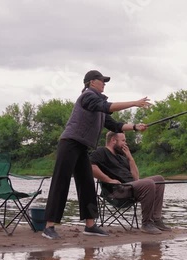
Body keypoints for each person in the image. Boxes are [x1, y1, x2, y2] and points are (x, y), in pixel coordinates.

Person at [42, 70, 151, 240]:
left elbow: (115, 125)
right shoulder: (87, 96)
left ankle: (90, 225)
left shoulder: (98, 106)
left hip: (82, 147)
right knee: (60, 183)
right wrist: (134, 103)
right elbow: (107, 106)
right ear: (92, 82)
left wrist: (136, 127)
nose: (104, 84)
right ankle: (49, 226)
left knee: (87, 184)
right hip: (69, 143)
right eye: (102, 81)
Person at [90, 131, 171, 234]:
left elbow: (136, 178)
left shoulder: (121, 157)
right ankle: (147, 224)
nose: (125, 143)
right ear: (113, 140)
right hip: (116, 191)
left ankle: (156, 220)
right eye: (123, 140)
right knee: (149, 183)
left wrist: (130, 158)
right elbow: (90, 167)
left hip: (131, 188)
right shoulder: (101, 152)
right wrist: (109, 180)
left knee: (159, 179)